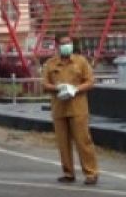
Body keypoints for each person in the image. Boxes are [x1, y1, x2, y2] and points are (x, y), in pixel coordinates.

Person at [41, 36, 99, 185]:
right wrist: (57, 88)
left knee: (83, 141)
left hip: (77, 107)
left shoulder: (81, 61)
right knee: (63, 143)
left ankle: (91, 173)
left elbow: (91, 81)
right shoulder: (51, 63)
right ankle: (68, 173)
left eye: (69, 43)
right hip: (59, 108)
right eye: (63, 44)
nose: (67, 46)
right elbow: (44, 85)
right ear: (57, 46)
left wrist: (76, 89)